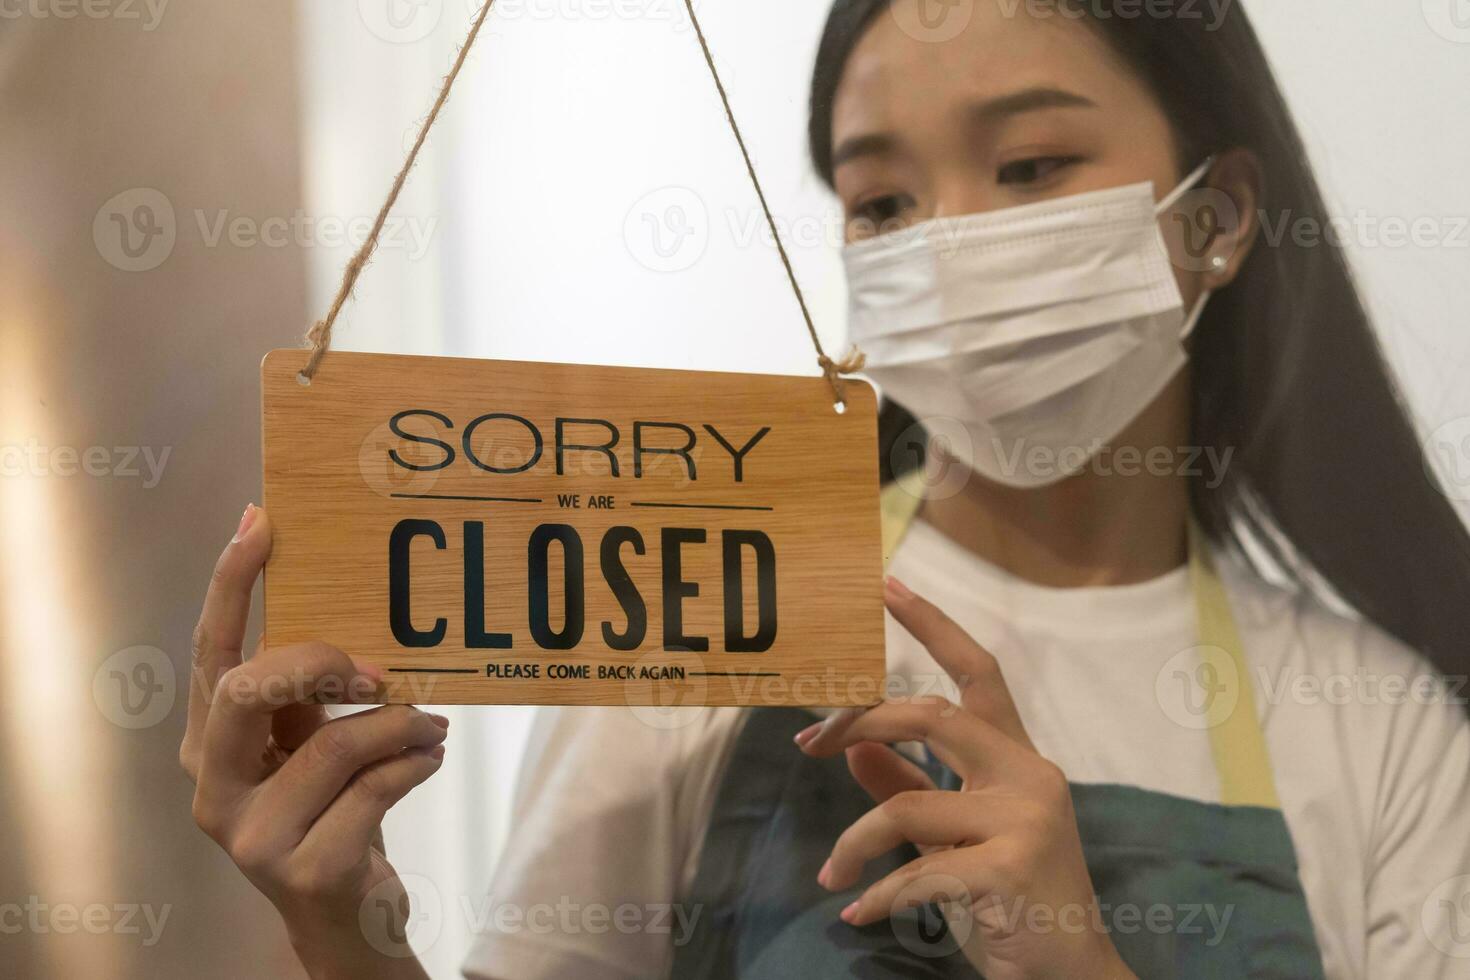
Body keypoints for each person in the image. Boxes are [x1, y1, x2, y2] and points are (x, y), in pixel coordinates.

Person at [180, 1, 1470, 977]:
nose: (949, 242)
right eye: (882, 199)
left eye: (1029, 168)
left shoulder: (1384, 728)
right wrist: (344, 928)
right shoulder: (701, 602)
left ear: (1218, 218)